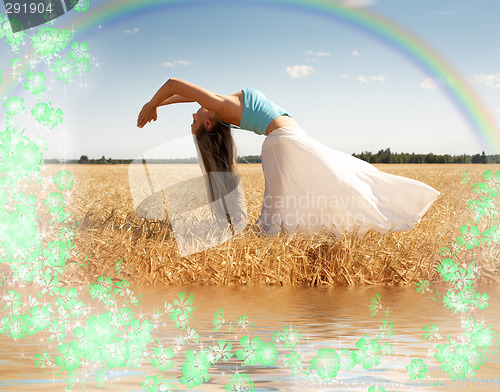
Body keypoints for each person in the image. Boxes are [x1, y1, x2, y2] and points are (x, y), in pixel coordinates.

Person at [137, 78, 440, 237]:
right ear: (208, 123)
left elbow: (182, 92)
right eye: (194, 119)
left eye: (192, 116)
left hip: (289, 140)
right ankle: (386, 214)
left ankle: (385, 212)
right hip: (284, 143)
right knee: (338, 182)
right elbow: (176, 83)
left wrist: (158, 105)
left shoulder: (220, 105)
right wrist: (153, 103)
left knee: (342, 177)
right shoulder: (220, 105)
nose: (193, 112)